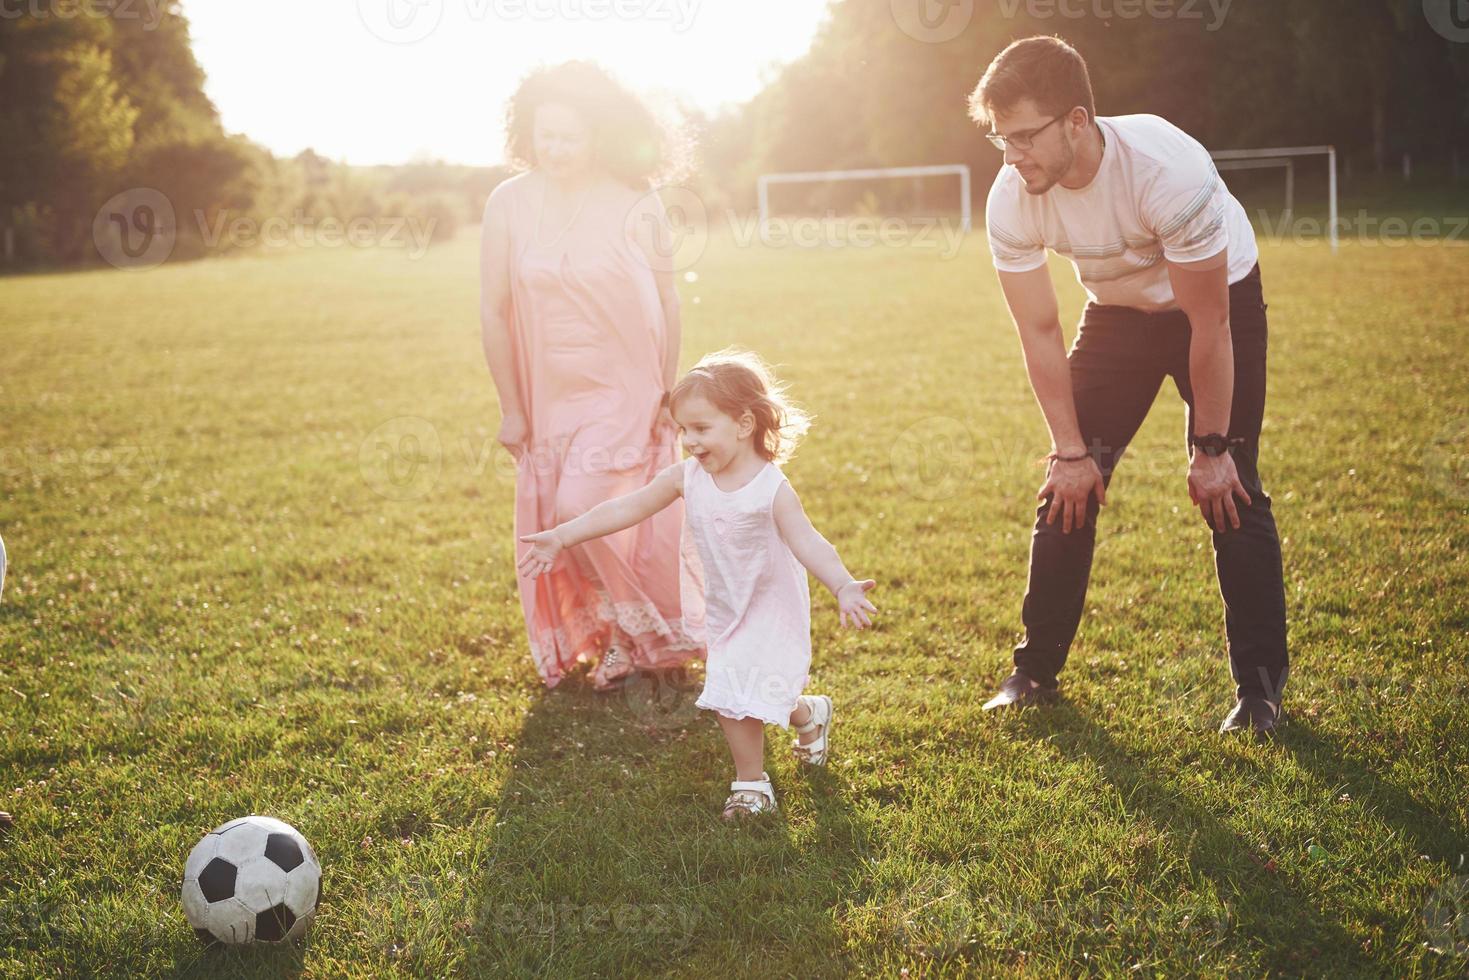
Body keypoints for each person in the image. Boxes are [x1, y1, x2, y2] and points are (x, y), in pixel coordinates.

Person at [969, 36, 1290, 735]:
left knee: (1231, 485)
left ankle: (1258, 694)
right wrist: (1069, 449)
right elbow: (1039, 332)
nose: (1011, 154)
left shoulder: (1165, 172)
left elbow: (1208, 325)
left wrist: (1209, 448)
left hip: (1215, 304)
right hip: (1116, 315)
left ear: (1077, 121)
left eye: (1024, 136)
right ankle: (1032, 674)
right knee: (1066, 487)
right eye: (1000, 139)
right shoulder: (1011, 199)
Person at [517, 349, 878, 818]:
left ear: (744, 425)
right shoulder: (687, 477)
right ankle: (791, 736)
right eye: (683, 430)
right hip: (725, 603)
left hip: (770, 604)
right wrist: (563, 536)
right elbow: (627, 507)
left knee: (752, 684)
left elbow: (808, 541)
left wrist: (843, 584)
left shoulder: (770, 487)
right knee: (739, 685)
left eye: (701, 429)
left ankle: (756, 780)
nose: (689, 441)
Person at [480, 62, 705, 691]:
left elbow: (668, 300)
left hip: (626, 386)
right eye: (543, 134)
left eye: (568, 136)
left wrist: (668, 391)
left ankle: (644, 633)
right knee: (568, 512)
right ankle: (623, 637)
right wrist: (511, 406)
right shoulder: (510, 202)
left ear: (599, 135)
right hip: (549, 393)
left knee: (583, 507)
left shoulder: (638, 199)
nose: (553, 148)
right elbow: (493, 309)